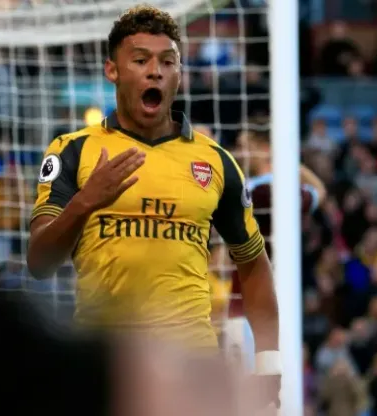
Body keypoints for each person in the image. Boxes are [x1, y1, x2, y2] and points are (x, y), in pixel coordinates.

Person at [25, 4, 280, 409]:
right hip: (104, 366)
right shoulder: (72, 150)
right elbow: (39, 262)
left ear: (180, 73)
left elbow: (253, 264)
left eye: (167, 61)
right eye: (141, 60)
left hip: (191, 365)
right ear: (112, 70)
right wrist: (86, 201)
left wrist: (269, 363)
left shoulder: (215, 162)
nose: (155, 72)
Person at [221, 118, 327, 370]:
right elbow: (320, 191)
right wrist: (290, 162)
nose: (239, 152)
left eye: (245, 146)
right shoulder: (282, 190)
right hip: (268, 303)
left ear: (265, 149)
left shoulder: (264, 191)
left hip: (249, 309)